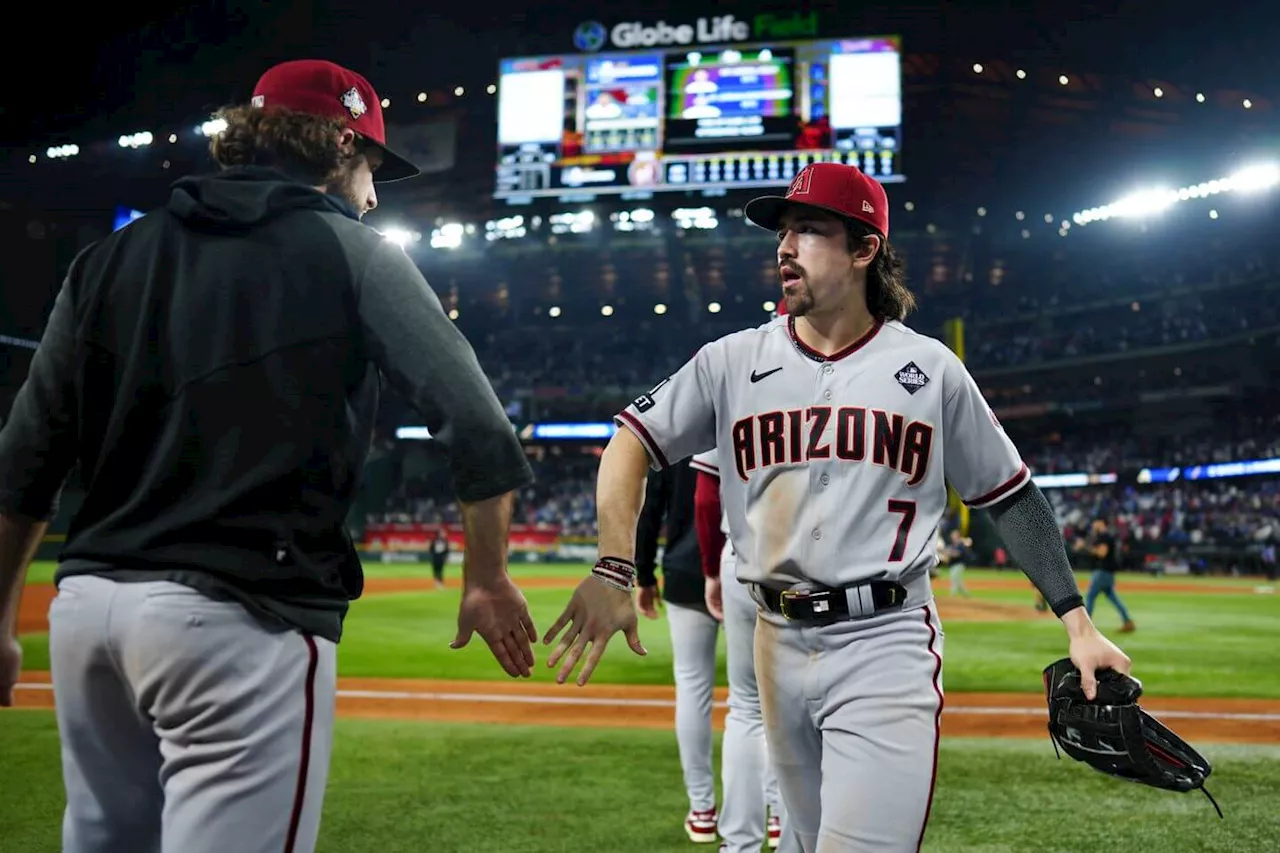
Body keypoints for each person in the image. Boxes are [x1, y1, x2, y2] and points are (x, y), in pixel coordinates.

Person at [0, 58, 539, 853]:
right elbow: (480, 429)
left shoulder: (111, 256)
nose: (375, 194)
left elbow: (24, 460)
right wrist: (487, 578)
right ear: (339, 148)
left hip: (87, 620)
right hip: (242, 619)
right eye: (372, 168)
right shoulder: (355, 252)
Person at [544, 162, 1134, 852]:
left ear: (864, 250)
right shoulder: (730, 360)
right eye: (783, 233)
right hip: (773, 638)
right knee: (803, 839)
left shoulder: (930, 368)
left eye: (810, 231)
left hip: (884, 640)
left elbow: (1011, 495)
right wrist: (616, 567)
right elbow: (628, 442)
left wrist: (1078, 621)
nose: (784, 248)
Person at [690, 449, 794, 853]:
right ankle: (791, 841)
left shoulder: (734, 386)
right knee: (796, 713)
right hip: (809, 562)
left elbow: (705, 497)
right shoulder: (835, 389)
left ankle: (739, 845)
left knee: (746, 707)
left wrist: (711, 571)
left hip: (740, 555)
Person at [634, 456, 722, 844]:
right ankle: (775, 815)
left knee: (691, 690)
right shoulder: (752, 406)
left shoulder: (677, 428)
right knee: (759, 702)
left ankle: (702, 811)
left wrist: (643, 573)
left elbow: (649, 508)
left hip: (685, 571)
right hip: (745, 569)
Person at [1083, 517, 1135, 632]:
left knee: (1090, 596)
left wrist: (1087, 548)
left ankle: (1086, 625)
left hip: (1103, 571)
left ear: (1101, 523)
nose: (1093, 524)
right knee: (1113, 598)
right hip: (1107, 572)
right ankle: (1127, 621)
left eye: (1095, 522)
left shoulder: (1104, 536)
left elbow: (1102, 553)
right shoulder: (1105, 536)